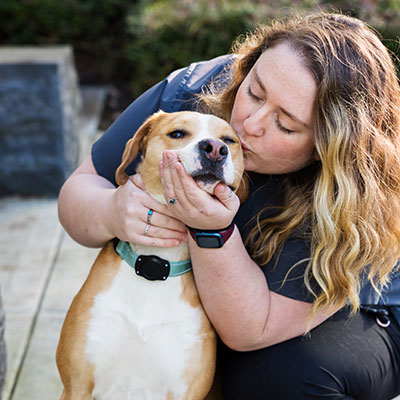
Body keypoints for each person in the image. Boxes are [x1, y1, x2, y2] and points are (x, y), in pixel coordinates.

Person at [58, 12, 400, 399]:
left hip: (355, 317)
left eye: (285, 125)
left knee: (277, 376)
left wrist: (210, 230)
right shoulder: (191, 93)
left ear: (328, 149)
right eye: (254, 92)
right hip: (214, 300)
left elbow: (249, 329)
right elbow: (80, 189)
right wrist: (110, 210)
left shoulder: (352, 196)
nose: (249, 124)